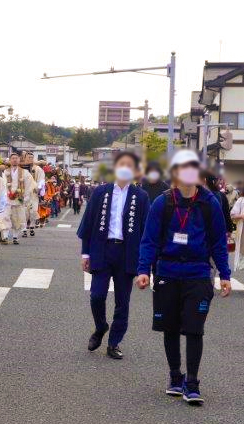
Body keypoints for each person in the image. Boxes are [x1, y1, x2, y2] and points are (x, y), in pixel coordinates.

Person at [136, 150, 231, 405]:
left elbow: (218, 242)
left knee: (194, 329)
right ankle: (175, 377)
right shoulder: (163, 203)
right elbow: (149, 240)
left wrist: (225, 274)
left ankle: (192, 382)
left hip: (198, 273)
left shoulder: (209, 203)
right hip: (167, 271)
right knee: (169, 328)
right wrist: (144, 270)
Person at [77, 151, 149, 360]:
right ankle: (101, 327)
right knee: (97, 295)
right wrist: (85, 253)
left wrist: (145, 264)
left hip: (127, 252)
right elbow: (88, 224)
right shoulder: (101, 192)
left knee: (122, 301)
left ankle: (114, 342)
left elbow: (147, 231)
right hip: (103, 249)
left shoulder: (141, 196)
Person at [2, 151, 36, 245]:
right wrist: (5, 195)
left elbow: (29, 185)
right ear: (10, 160)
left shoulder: (25, 172)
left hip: (19, 199)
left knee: (17, 219)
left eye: (16, 158)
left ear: (19, 160)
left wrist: (26, 197)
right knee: (6, 217)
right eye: (12, 158)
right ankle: (4, 237)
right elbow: (3, 185)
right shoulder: (5, 172)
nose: (14, 160)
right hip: (8, 199)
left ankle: (15, 237)